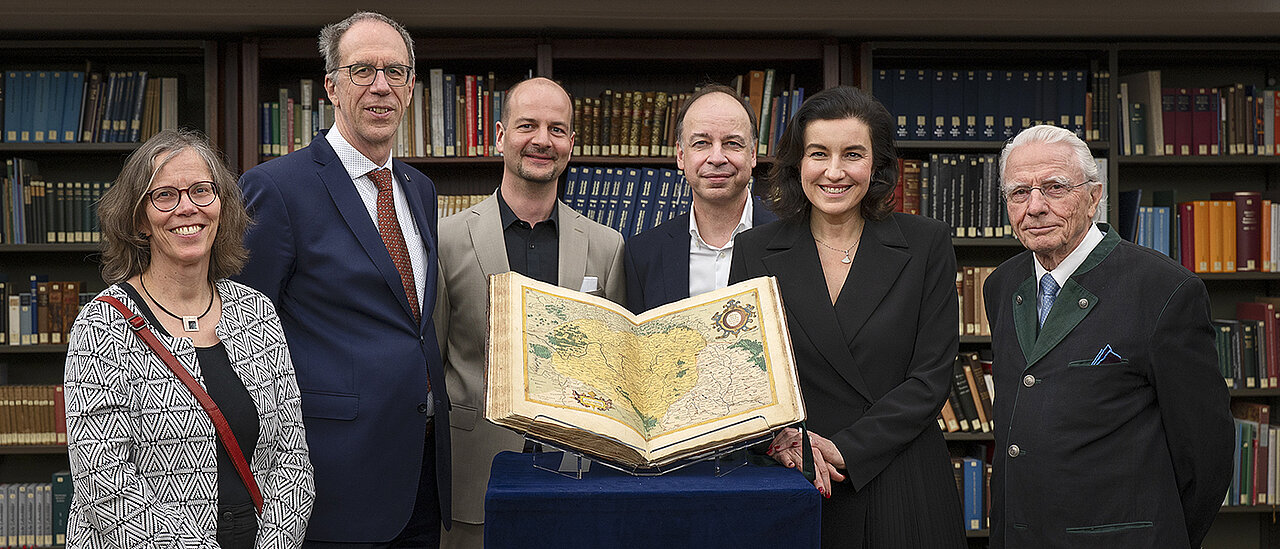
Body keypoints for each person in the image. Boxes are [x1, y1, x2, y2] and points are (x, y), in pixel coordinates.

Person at [235, 11, 451, 547]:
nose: (381, 86)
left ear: (410, 89)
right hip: (331, 475)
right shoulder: (276, 188)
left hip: (422, 465)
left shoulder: (420, 189)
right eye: (362, 71)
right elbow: (243, 336)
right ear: (331, 86)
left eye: (395, 72)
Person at [728, 86, 965, 548]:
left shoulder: (926, 243)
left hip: (902, 483)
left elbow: (931, 377)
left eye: (852, 154)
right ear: (798, 163)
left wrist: (843, 448)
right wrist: (783, 439)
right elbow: (743, 375)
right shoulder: (754, 250)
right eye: (819, 153)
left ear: (877, 166)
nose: (834, 172)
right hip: (798, 478)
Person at [983, 124, 1233, 548]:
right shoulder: (1002, 285)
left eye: (1055, 188)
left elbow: (1205, 452)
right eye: (1019, 192)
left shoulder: (1165, 290)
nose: (1035, 207)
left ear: (1094, 196)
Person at [64, 128, 314, 548]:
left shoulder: (256, 313)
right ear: (139, 219)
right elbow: (104, 484)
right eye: (165, 195)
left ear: (221, 206)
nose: (187, 208)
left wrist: (276, 542)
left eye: (201, 190)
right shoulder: (102, 325)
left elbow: (293, 457)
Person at [434, 76, 625, 549]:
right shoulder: (445, 239)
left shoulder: (607, 246)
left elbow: (614, 372)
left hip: (577, 475)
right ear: (500, 136)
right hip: (473, 477)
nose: (542, 140)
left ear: (571, 144)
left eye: (556, 129)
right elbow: (432, 363)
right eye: (527, 126)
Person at [625, 84, 776, 313]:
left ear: (753, 154)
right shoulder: (642, 254)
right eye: (701, 143)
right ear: (681, 155)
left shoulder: (795, 240)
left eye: (732, 143)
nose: (716, 158)